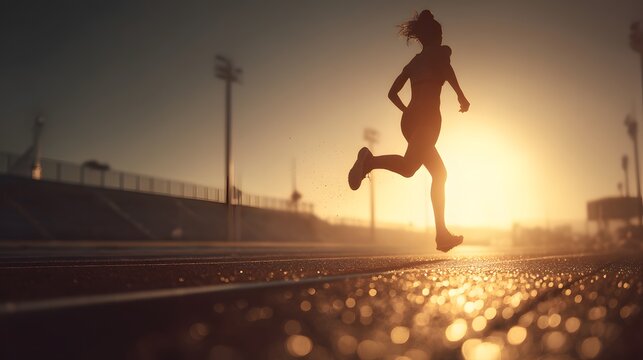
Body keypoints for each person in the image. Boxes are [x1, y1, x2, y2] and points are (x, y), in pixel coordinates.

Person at [348, 10, 470, 252]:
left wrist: (407, 110)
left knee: (438, 174)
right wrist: (461, 96)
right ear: (435, 35)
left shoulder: (413, 63)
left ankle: (441, 235)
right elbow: (448, 72)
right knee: (409, 168)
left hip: (411, 120)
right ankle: (369, 161)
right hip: (427, 121)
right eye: (441, 32)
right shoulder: (441, 53)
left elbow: (392, 93)